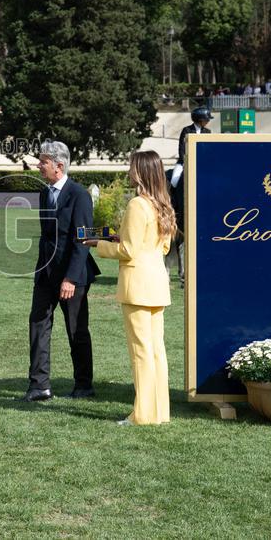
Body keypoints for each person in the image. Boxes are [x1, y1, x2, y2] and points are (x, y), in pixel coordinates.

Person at [83, 150, 174, 426]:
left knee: (140, 352)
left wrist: (98, 244)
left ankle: (142, 415)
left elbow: (128, 249)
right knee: (156, 351)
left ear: (142, 171)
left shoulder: (137, 204)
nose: (128, 172)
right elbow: (163, 246)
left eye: (132, 167)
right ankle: (159, 413)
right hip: (157, 282)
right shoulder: (163, 205)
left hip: (138, 284)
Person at [21, 141, 100, 402]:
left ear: (59, 166)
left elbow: (83, 241)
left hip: (72, 276)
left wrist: (71, 278)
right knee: (38, 325)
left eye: (42, 162)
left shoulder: (79, 195)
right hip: (45, 274)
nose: (38, 166)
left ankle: (84, 385)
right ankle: (39, 386)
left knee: (76, 330)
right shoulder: (45, 193)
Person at [170, 106, 212, 190]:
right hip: (185, 160)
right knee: (174, 181)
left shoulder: (207, 132)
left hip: (202, 161)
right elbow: (181, 147)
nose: (208, 121)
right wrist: (184, 161)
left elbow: (208, 149)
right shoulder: (187, 130)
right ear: (200, 120)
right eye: (206, 119)